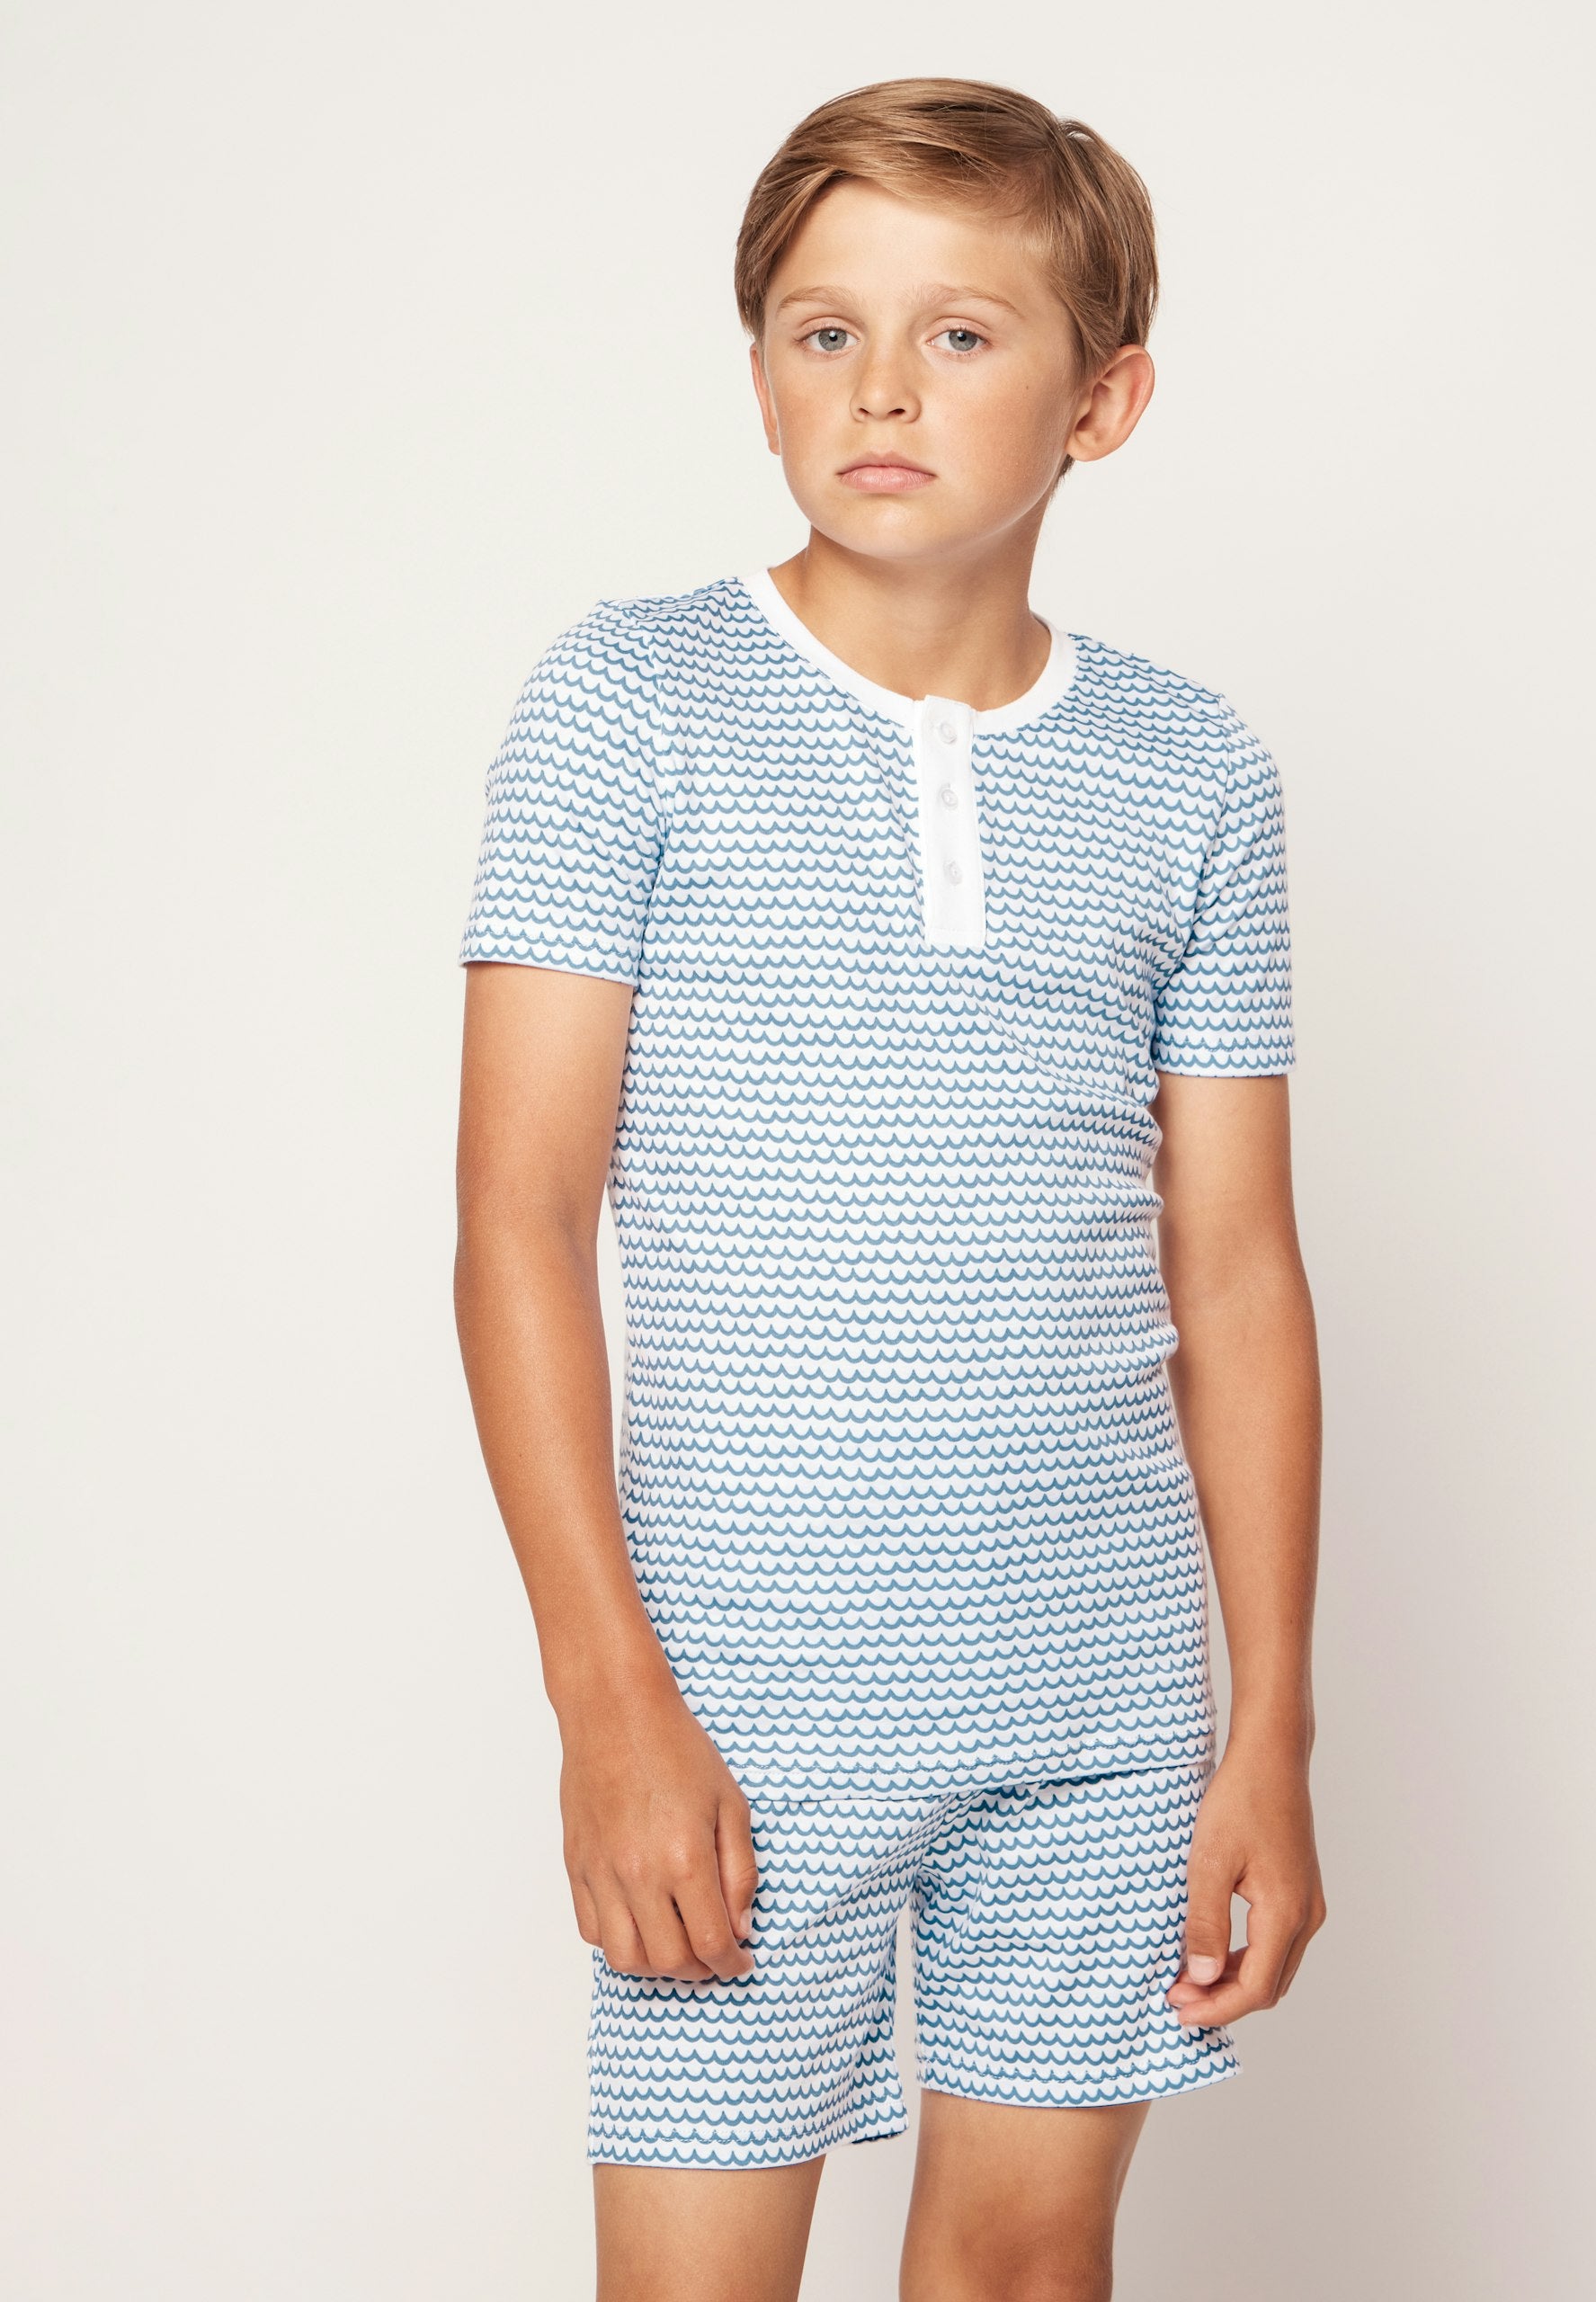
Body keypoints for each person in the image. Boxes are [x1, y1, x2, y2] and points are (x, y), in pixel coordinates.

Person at [453, 76, 1325, 2302]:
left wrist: (1267, 1723)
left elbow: (1235, 1276)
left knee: (1028, 2267)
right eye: (823, 330)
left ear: (1100, 400)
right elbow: (518, 1224)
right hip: (743, 1691)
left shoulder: (1193, 773)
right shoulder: (629, 705)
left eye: (959, 333)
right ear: (758, 372)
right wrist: (606, 1697)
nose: (879, 388)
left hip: (1102, 1694)